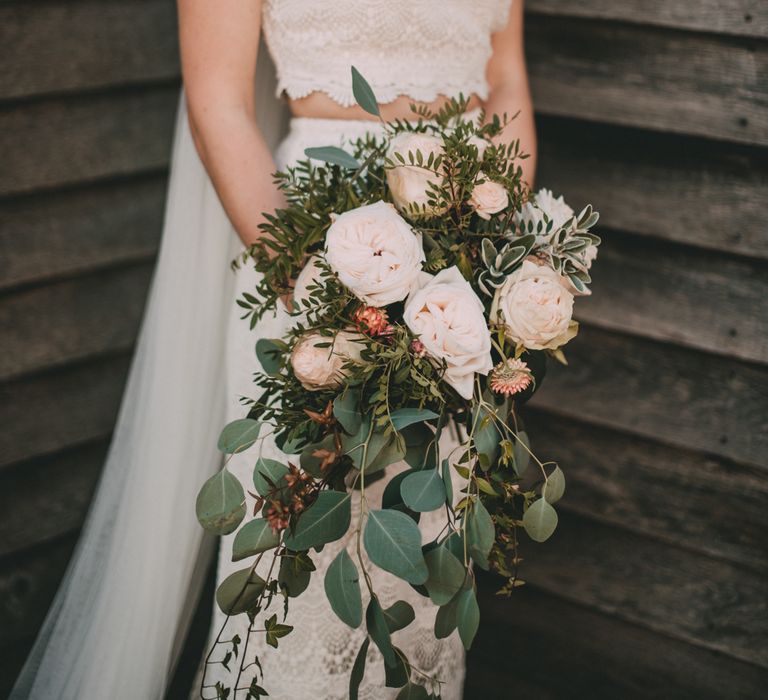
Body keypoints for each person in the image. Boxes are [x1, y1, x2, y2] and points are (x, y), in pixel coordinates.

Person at [11, 1, 535, 698]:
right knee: (305, 541)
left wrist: (497, 260)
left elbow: (506, 84)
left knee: (431, 533)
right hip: (317, 247)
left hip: (461, 272)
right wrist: (319, 289)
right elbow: (218, 104)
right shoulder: (314, 277)